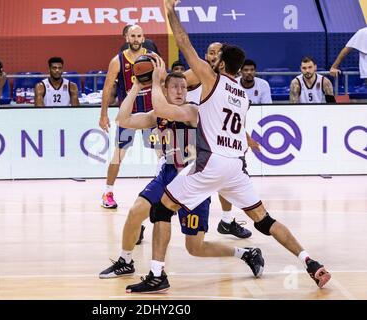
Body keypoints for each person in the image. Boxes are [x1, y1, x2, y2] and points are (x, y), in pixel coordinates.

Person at [127, 0, 332, 292]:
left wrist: (170, 11)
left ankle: (157, 274)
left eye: (216, 57)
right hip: (236, 166)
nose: (212, 60)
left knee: (161, 210)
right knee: (264, 220)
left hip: (211, 162)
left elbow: (184, 44)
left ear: (221, 64)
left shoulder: (212, 79)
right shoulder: (243, 94)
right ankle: (311, 261)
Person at [100, 71, 264, 295]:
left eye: (183, 87)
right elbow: (123, 119)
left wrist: (156, 83)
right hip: (168, 173)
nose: (179, 91)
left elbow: (227, 128)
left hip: (194, 179)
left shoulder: (194, 111)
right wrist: (136, 87)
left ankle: (245, 253)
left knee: (195, 247)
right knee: (136, 212)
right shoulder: (157, 114)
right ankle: (125, 261)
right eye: (174, 87)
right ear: (166, 90)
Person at [187, 42, 256, 239]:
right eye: (211, 52)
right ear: (206, 56)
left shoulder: (225, 83)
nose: (215, 56)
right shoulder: (199, 73)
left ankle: (226, 221)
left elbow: (231, 119)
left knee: (224, 177)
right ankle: (145, 215)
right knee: (170, 176)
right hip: (190, 131)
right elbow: (174, 86)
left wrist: (247, 138)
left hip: (212, 135)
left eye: (218, 53)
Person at [99, 25, 155, 211]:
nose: (136, 39)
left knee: (164, 154)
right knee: (118, 155)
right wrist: (103, 114)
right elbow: (107, 88)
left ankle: (167, 191)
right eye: (133, 36)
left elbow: (163, 82)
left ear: (143, 37)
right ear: (126, 38)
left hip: (150, 114)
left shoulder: (153, 58)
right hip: (128, 115)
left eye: (139, 36)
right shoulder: (117, 61)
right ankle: (107, 192)